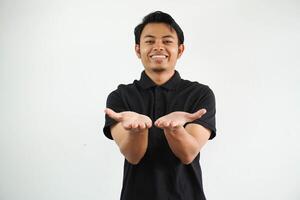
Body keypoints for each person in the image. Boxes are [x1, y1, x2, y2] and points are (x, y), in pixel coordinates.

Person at [103, 11, 216, 200]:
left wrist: (175, 129)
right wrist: (138, 130)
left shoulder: (200, 94)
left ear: (180, 50)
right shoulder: (120, 97)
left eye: (167, 41)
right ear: (138, 50)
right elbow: (133, 156)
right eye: (149, 41)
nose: (158, 47)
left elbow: (188, 154)